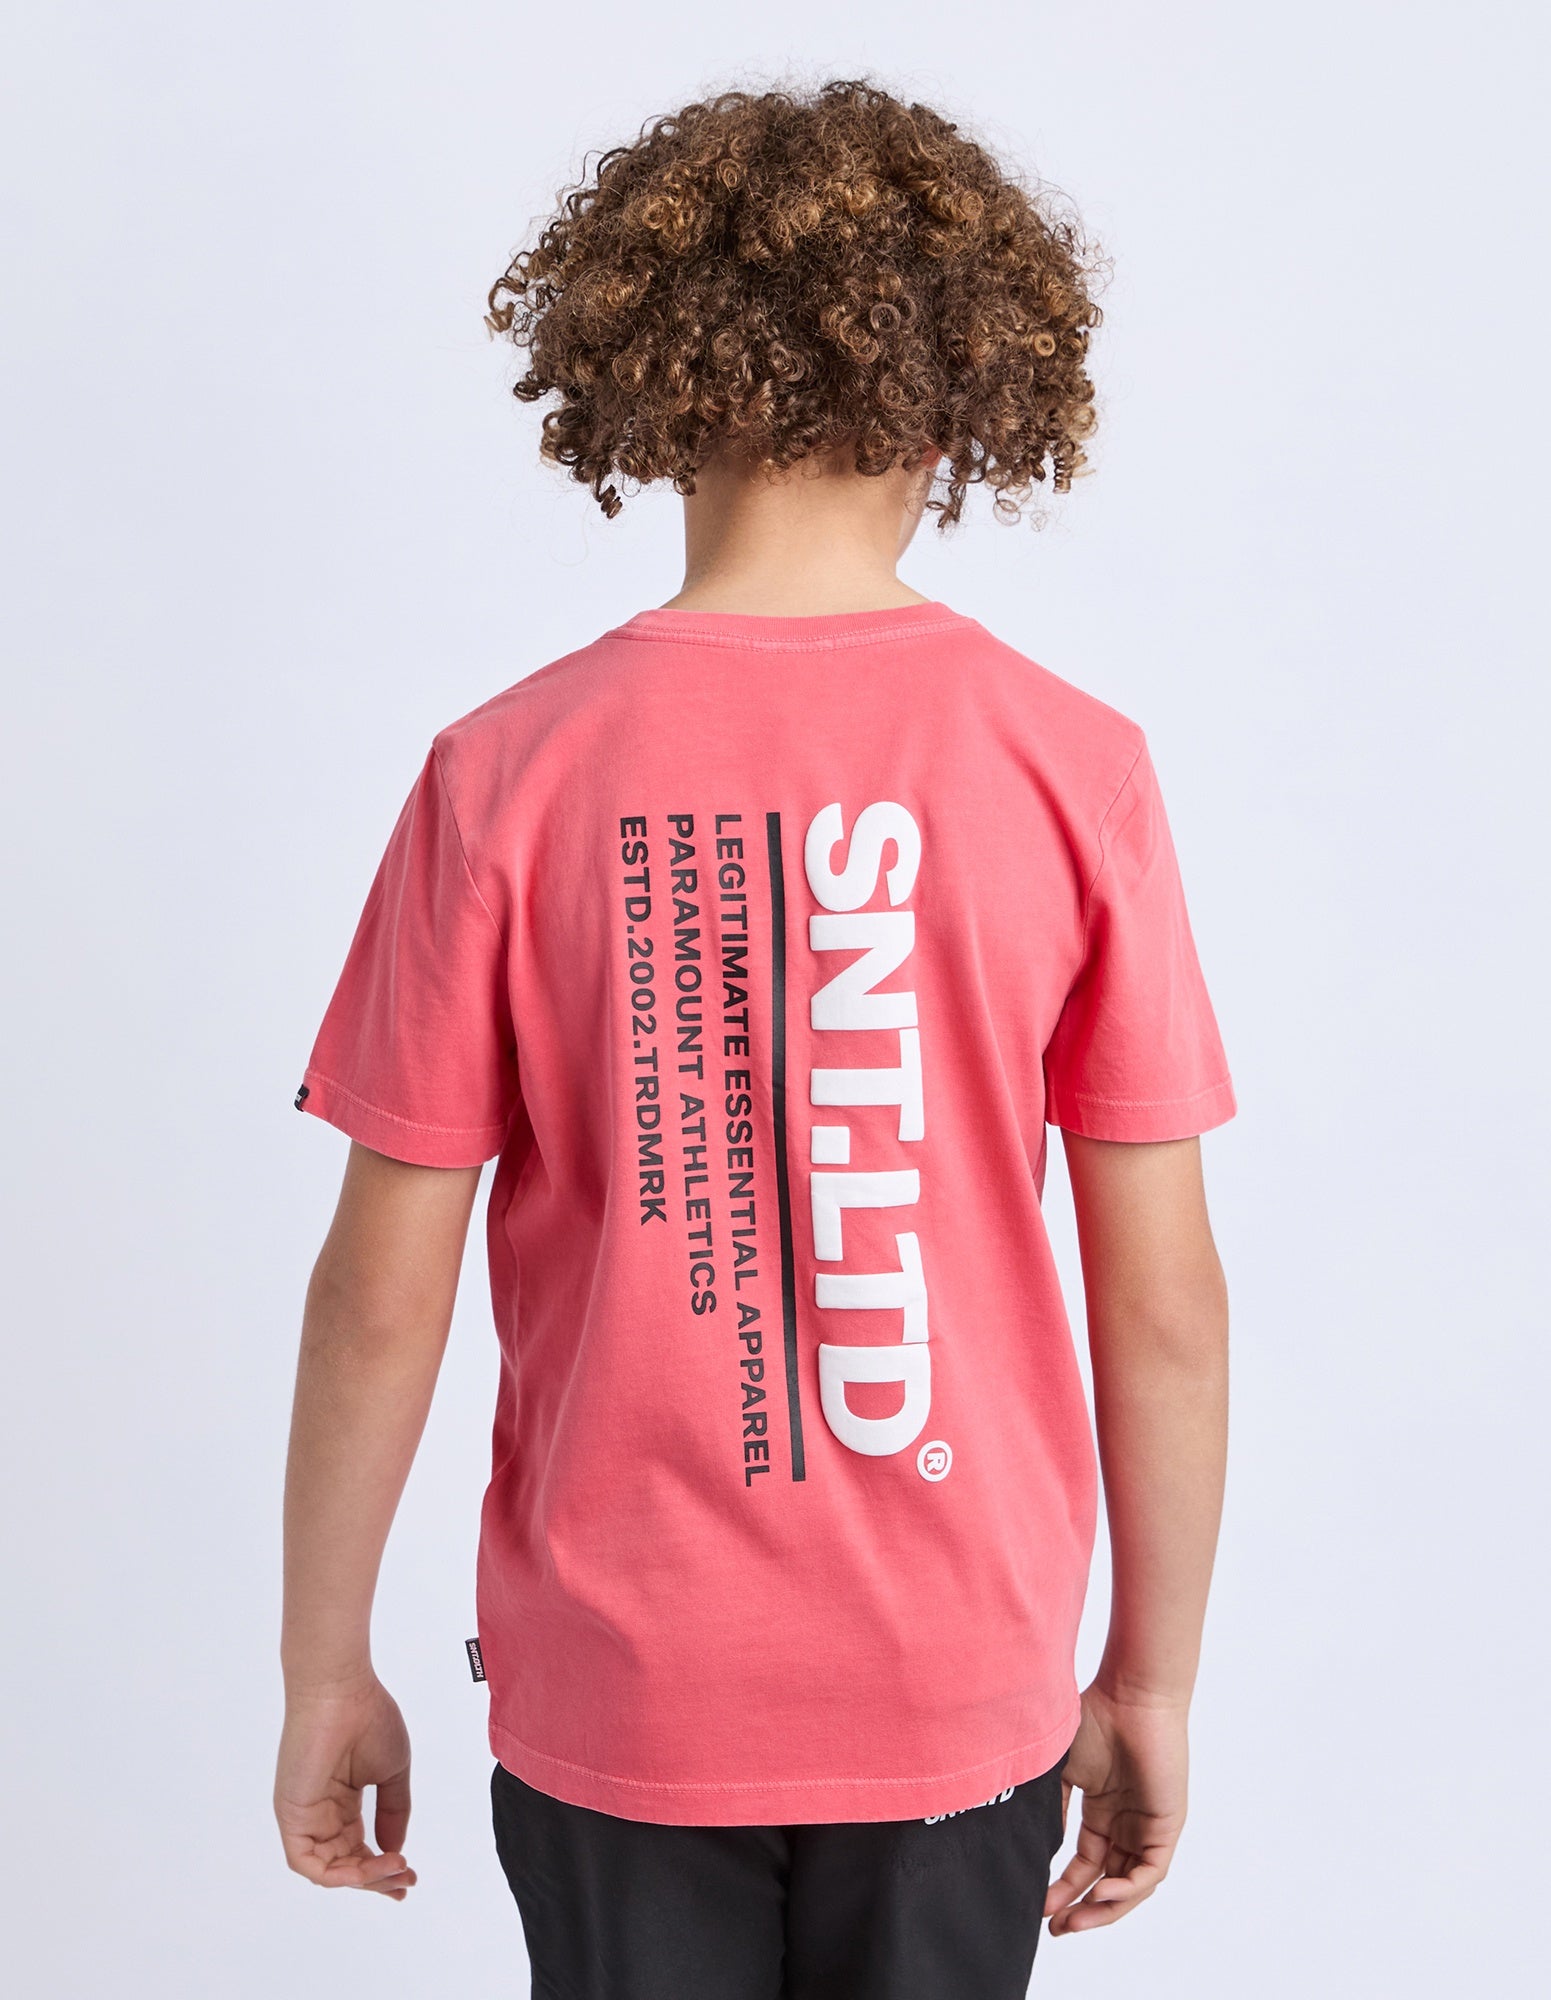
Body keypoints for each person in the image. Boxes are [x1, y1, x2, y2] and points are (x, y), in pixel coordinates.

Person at [274, 79, 1235, 1998]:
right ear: (966, 400)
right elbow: (1165, 1305)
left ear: (647, 381)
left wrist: (323, 1666)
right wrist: (1150, 1679)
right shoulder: (1073, 771)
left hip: (621, 1686)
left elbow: (383, 1290)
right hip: (958, 1681)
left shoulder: (506, 773)